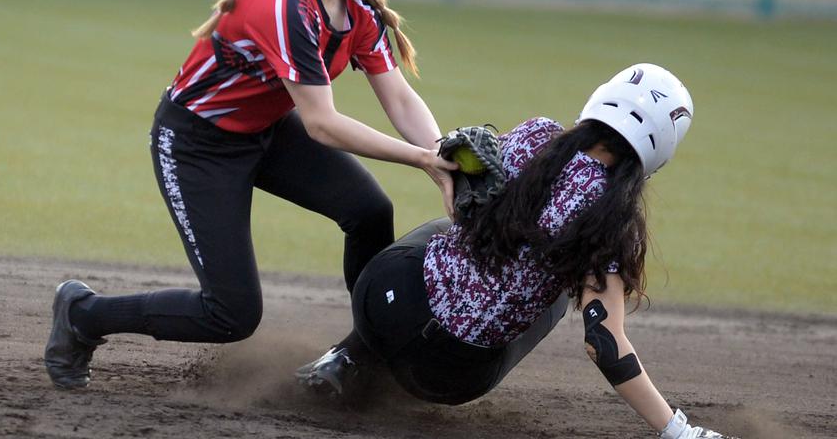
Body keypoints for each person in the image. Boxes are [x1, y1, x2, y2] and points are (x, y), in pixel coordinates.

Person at [44, 0, 458, 390]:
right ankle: (83, 313)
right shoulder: (285, 2)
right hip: (198, 143)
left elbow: (397, 95)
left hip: (266, 130)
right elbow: (323, 124)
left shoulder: (354, 5)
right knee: (230, 315)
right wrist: (419, 160)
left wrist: (442, 154)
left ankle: (367, 351)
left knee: (369, 211)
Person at [296, 64, 736, 438]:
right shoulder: (611, 221)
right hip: (447, 375)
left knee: (448, 231)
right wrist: (679, 432)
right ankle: (376, 373)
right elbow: (604, 342)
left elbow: (464, 178)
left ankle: (347, 355)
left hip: (383, 299)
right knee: (563, 291)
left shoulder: (537, 134)